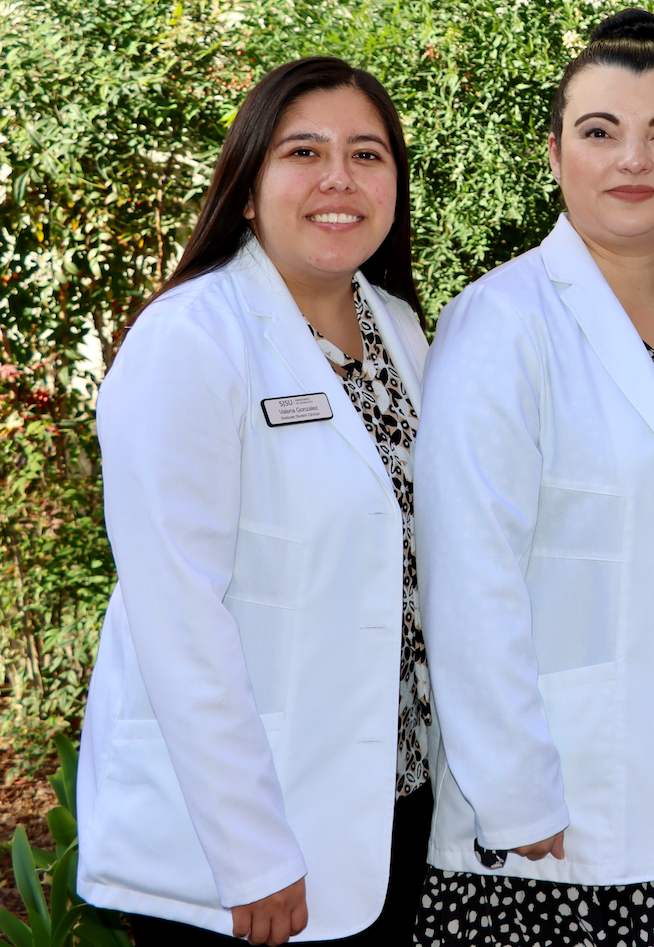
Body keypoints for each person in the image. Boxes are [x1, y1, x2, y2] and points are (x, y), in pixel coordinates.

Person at [411, 9, 654, 946]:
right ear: (555, 153)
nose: (635, 161)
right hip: (560, 814)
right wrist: (514, 787)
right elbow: (468, 572)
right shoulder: (499, 321)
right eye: (600, 132)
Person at [76, 57, 435, 945]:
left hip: (394, 801)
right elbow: (177, 615)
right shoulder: (189, 340)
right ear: (246, 187)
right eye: (302, 152)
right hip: (247, 844)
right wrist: (252, 852)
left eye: (368, 154)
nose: (338, 179)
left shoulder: (398, 327)